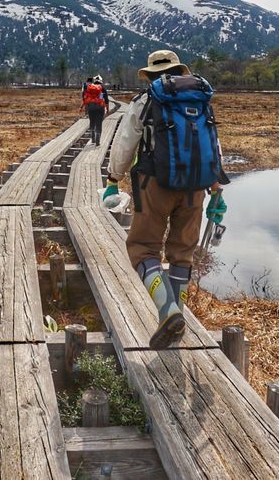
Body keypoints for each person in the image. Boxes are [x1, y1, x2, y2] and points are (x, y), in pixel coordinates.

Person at [104, 50, 227, 349]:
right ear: (178, 70)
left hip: (154, 184)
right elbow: (212, 145)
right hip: (195, 187)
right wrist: (217, 191)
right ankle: (177, 319)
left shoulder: (144, 101)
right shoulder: (198, 99)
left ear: (150, 74)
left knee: (142, 249)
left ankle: (168, 311)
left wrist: (112, 179)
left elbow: (125, 144)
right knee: (182, 253)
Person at [81, 75, 107, 145]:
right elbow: (106, 100)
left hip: (91, 108)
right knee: (99, 122)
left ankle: (93, 136)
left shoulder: (89, 87)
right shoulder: (102, 88)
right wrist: (107, 109)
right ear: (101, 81)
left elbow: (84, 96)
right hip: (100, 108)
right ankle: (98, 137)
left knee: (92, 121)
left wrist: (86, 107)